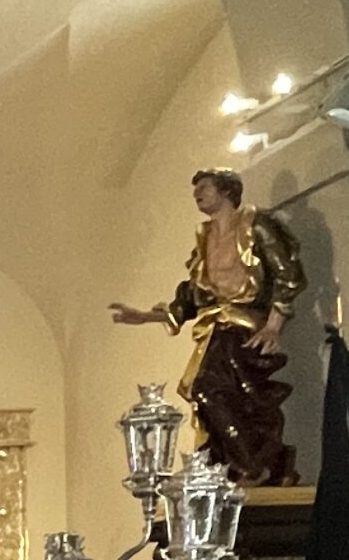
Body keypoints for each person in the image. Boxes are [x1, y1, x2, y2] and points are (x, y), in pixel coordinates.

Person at [110, 168, 305, 486]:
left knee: (211, 390)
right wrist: (147, 317)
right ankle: (242, 463)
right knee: (217, 396)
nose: (197, 194)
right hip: (217, 328)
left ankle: (252, 464)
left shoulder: (256, 226)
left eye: (204, 187)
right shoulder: (205, 239)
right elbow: (192, 294)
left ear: (226, 190)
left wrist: (273, 326)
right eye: (195, 189)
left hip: (245, 326)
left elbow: (288, 274)